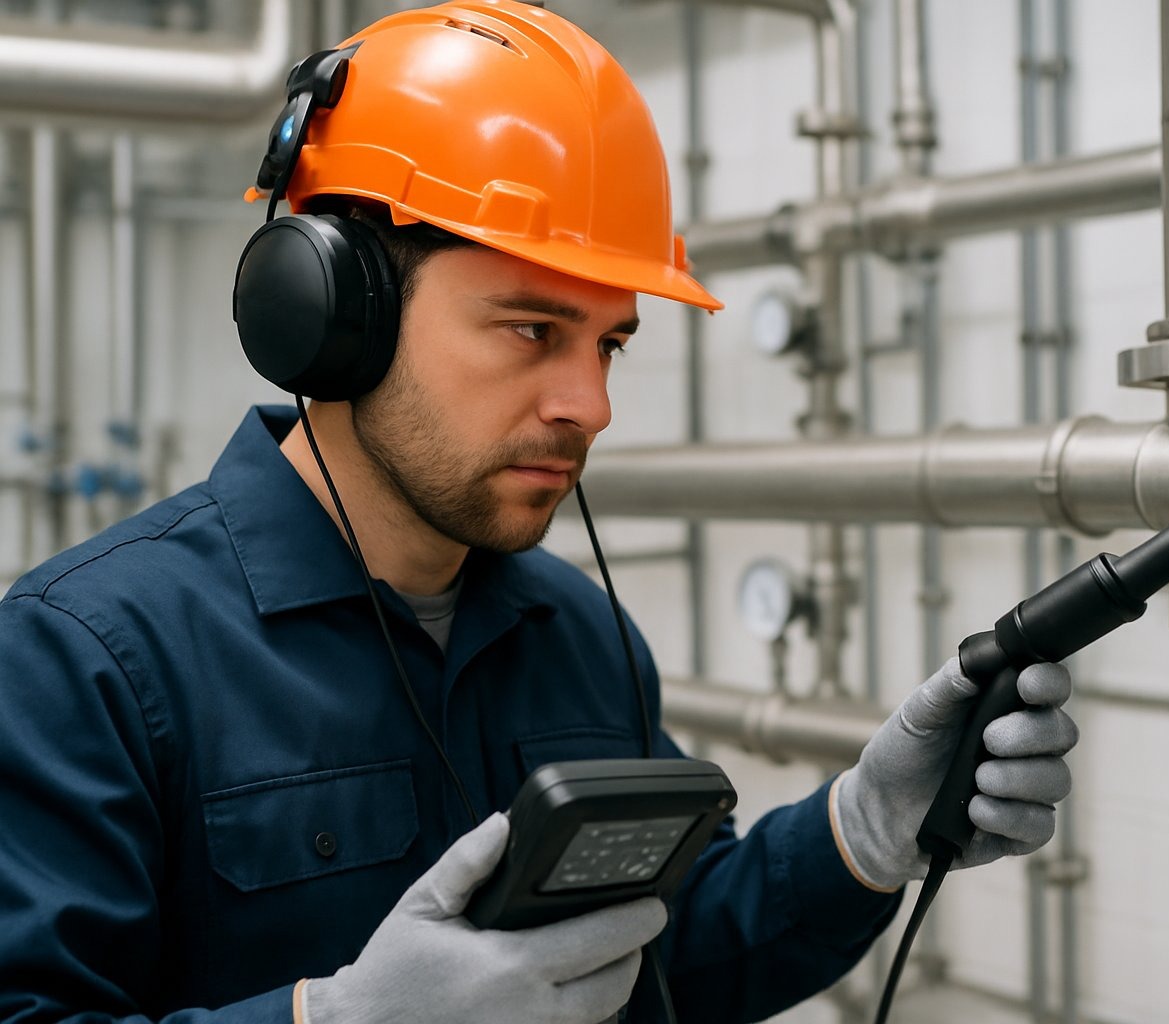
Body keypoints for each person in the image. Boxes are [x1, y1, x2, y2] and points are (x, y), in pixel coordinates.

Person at [0, 3, 1078, 1022]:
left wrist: (863, 834)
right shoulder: (85, 659)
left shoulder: (581, 635)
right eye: (530, 331)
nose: (592, 405)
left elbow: (662, 961)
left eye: (608, 343)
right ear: (334, 313)